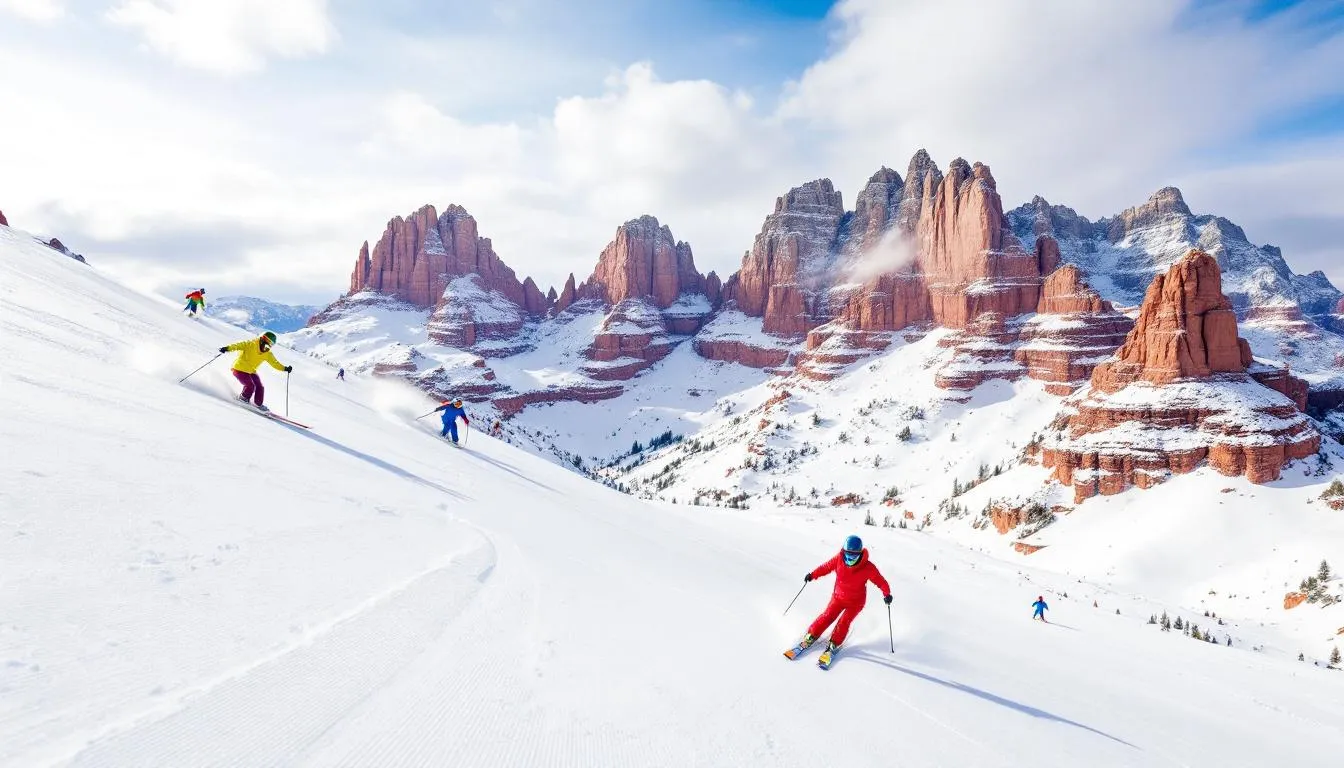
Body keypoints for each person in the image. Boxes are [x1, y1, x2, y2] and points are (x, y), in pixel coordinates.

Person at [796, 535, 891, 655]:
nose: (850, 558)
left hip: (855, 603)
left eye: (853, 555)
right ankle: (812, 635)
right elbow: (826, 567)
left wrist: (887, 594)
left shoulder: (868, 568)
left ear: (860, 553)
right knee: (827, 616)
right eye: (847, 554)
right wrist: (813, 574)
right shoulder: (839, 559)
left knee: (844, 621)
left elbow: (880, 581)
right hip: (838, 598)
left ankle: (834, 642)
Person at [219, 331, 291, 412]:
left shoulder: (267, 354)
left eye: (271, 345)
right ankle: (243, 398)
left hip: (251, 371)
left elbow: (275, 363)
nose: (268, 346)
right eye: (268, 343)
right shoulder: (250, 344)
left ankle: (258, 404)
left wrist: (285, 368)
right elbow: (237, 345)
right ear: (262, 339)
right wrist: (227, 348)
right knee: (250, 385)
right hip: (239, 368)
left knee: (260, 387)